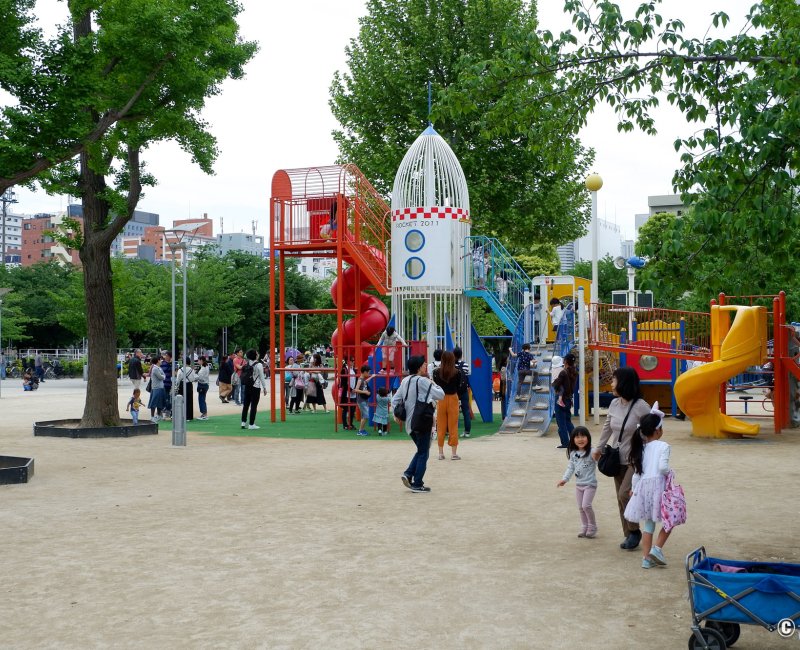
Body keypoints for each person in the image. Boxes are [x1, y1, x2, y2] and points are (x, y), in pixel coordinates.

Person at [591, 367, 651, 551]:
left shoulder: (642, 406)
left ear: (624, 382)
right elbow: (607, 427)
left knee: (624, 494)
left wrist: (651, 452)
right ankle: (629, 535)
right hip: (617, 458)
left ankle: (634, 531)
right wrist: (599, 447)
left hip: (635, 459)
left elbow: (652, 431)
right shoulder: (615, 404)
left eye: (614, 380)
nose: (611, 383)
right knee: (620, 498)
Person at [623, 404, 673, 568]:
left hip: (644, 489)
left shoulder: (641, 449)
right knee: (669, 520)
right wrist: (669, 473)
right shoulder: (664, 446)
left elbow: (637, 473)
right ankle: (657, 549)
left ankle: (646, 559)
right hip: (659, 488)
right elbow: (663, 468)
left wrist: (633, 489)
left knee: (649, 525)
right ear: (658, 430)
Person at [392, 355, 445, 492]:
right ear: (418, 367)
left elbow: (395, 399)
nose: (425, 365)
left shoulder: (405, 381)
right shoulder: (423, 381)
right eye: (423, 364)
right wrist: (433, 382)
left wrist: (395, 413)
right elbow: (441, 395)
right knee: (423, 453)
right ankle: (417, 482)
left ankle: (409, 474)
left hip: (410, 424)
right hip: (422, 421)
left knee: (422, 451)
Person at [557, 427, 598, 538]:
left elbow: (600, 461)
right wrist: (564, 479)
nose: (580, 439)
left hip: (590, 484)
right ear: (573, 439)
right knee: (581, 507)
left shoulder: (592, 451)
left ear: (588, 438)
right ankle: (584, 526)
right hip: (579, 485)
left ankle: (592, 526)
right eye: (577, 437)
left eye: (583, 436)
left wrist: (601, 457)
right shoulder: (573, 453)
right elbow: (570, 467)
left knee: (586, 506)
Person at [432, 350, 463, 460]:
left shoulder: (436, 372)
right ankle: (454, 454)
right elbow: (459, 386)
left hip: (441, 398)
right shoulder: (457, 372)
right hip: (453, 398)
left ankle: (441, 453)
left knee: (440, 425)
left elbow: (435, 385)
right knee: (453, 426)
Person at [552, 353, 578, 448]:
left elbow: (556, 384)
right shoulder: (575, 372)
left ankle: (565, 443)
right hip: (569, 399)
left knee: (561, 422)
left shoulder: (563, 372)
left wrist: (554, 382)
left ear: (565, 361)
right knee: (568, 421)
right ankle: (575, 440)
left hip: (561, 399)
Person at [240, 348, 267, 430]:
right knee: (253, 406)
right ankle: (251, 424)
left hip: (247, 386)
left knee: (246, 405)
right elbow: (262, 377)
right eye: (257, 353)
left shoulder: (247, 364)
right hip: (255, 387)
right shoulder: (259, 365)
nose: (258, 354)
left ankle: (243, 423)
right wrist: (265, 388)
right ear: (255, 355)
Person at [453, 346, 471, 438]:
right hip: (463, 390)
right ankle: (467, 431)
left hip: (453, 391)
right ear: (461, 355)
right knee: (466, 411)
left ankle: (452, 431)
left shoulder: (451, 365)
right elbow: (466, 376)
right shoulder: (465, 365)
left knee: (453, 411)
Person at [174, 357, 197, 421]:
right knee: (189, 400)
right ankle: (189, 416)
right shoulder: (191, 370)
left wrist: (176, 386)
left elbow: (178, 379)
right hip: (189, 385)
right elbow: (193, 378)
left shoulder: (180, 370)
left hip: (182, 385)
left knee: (181, 400)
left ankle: (181, 415)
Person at [354, 364, 374, 436]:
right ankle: (360, 431)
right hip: (361, 400)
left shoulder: (363, 380)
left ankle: (361, 430)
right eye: (368, 372)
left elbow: (365, 382)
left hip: (364, 400)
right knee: (365, 415)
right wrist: (365, 392)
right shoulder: (360, 380)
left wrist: (371, 377)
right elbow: (356, 390)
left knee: (364, 415)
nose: (368, 374)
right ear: (364, 372)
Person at [147, 355, 167, 422]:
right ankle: (152, 417)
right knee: (153, 403)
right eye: (160, 360)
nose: (161, 361)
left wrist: (163, 376)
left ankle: (158, 415)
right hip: (156, 388)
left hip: (160, 387)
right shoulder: (155, 368)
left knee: (159, 402)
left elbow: (163, 375)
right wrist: (163, 376)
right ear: (158, 361)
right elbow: (162, 377)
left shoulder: (158, 368)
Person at [338, 357, 356, 429]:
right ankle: (345, 425)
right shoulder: (344, 369)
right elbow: (344, 382)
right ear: (348, 361)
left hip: (353, 392)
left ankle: (351, 423)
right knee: (345, 409)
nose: (353, 362)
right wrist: (350, 389)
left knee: (352, 410)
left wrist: (355, 389)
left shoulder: (353, 369)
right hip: (347, 392)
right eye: (352, 360)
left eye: (353, 361)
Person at [196, 356, 210, 420]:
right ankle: (204, 413)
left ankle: (204, 414)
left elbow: (200, 377)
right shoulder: (206, 366)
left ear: (201, 360)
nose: (198, 361)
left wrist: (195, 377)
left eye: (198, 360)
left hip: (202, 385)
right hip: (205, 384)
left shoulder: (204, 368)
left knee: (201, 400)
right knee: (202, 399)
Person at [161, 352, 173, 418]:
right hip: (166, 383)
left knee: (167, 397)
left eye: (166, 355)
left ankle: (167, 409)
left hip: (167, 383)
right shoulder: (166, 364)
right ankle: (167, 408)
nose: (165, 356)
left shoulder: (167, 364)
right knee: (166, 397)